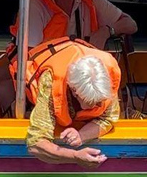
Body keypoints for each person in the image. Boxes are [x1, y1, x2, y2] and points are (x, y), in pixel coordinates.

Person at [23, 39, 121, 168]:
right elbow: (35, 144)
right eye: (91, 102)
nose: (96, 106)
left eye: (99, 101)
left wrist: (81, 136)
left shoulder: (107, 75)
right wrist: (74, 156)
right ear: (74, 91)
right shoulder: (50, 82)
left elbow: (108, 118)